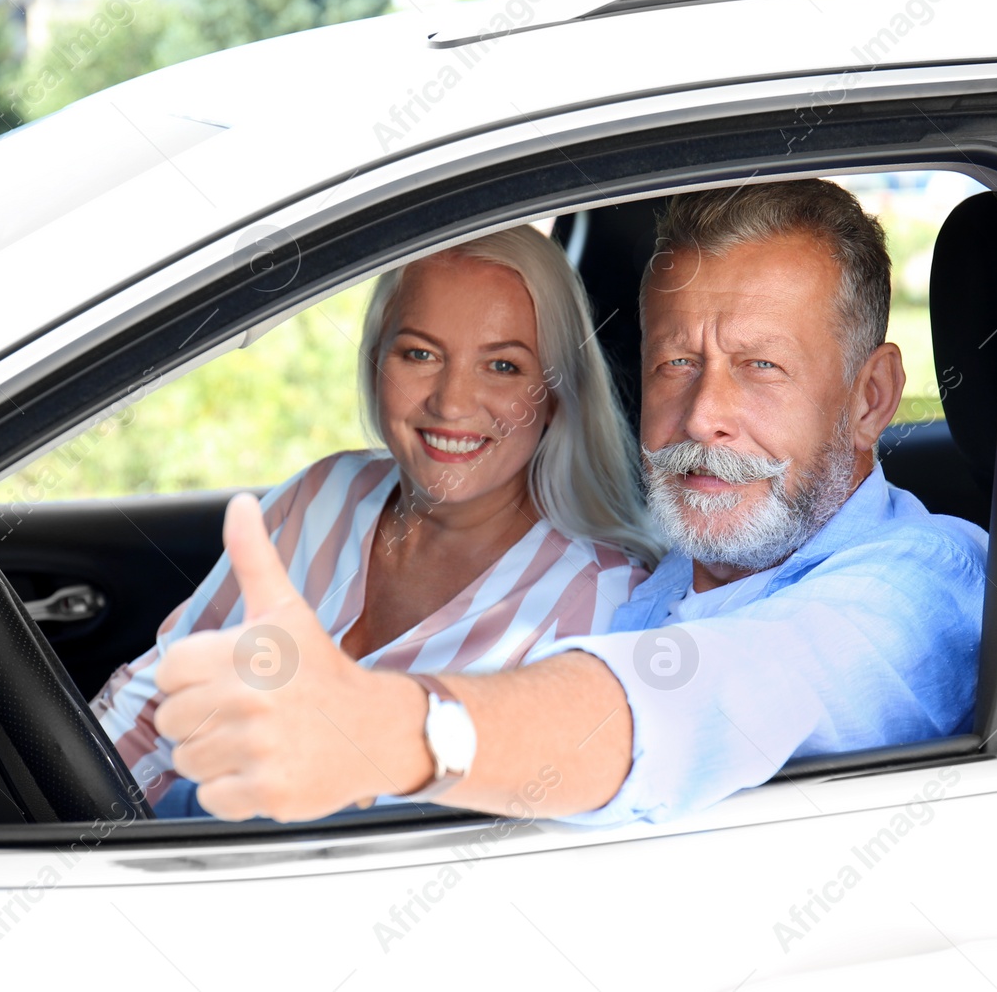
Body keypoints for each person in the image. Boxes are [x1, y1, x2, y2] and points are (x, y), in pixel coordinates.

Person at [145, 179, 988, 826]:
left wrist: (389, 729)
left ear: (871, 397)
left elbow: (703, 697)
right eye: (675, 364)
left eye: (761, 367)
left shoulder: (916, 591)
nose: (703, 416)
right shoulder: (657, 587)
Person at [91, 225, 658, 812]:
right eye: (420, 354)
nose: (452, 402)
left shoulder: (600, 604)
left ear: (557, 394)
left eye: (503, 366)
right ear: (376, 359)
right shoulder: (323, 493)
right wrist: (82, 830)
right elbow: (149, 706)